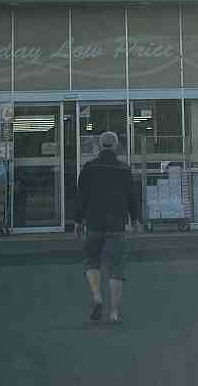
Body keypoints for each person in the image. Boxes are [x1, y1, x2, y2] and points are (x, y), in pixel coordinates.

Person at [73, 130, 138, 323]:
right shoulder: (124, 169)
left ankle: (97, 296)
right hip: (117, 225)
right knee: (116, 266)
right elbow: (132, 197)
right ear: (116, 146)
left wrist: (78, 220)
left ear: (99, 146)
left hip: (94, 223)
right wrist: (135, 219)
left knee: (91, 260)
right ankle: (114, 312)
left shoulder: (89, 168)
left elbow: (81, 197)